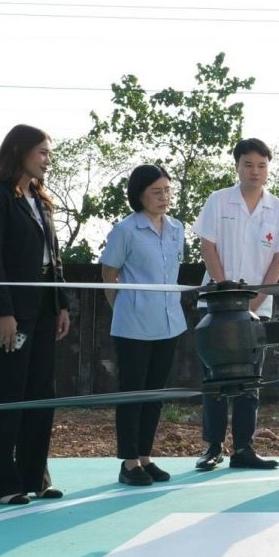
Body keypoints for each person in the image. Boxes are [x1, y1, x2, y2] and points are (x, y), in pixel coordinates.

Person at [0, 124, 71, 505]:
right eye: (42, 152)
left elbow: (54, 258)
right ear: (19, 151)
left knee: (41, 393)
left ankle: (34, 476)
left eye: (49, 153)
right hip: (12, 310)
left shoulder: (42, 201)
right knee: (7, 392)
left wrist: (62, 304)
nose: (48, 160)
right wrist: (3, 312)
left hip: (45, 308)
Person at [192, 138, 279, 471]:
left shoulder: (277, 208)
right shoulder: (219, 200)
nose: (255, 171)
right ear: (237, 166)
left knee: (251, 379)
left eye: (261, 165)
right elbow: (207, 247)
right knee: (215, 378)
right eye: (248, 164)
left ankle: (243, 448)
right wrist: (226, 292)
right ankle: (212, 446)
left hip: (256, 308)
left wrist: (257, 299)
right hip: (216, 306)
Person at [100, 165, 187, 486]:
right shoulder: (125, 230)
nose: (164, 197)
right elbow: (109, 274)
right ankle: (129, 461)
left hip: (169, 322)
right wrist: (123, 309)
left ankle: (146, 457)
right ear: (139, 195)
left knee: (155, 394)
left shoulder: (177, 228)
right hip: (133, 325)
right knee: (133, 393)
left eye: (167, 191)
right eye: (156, 192)